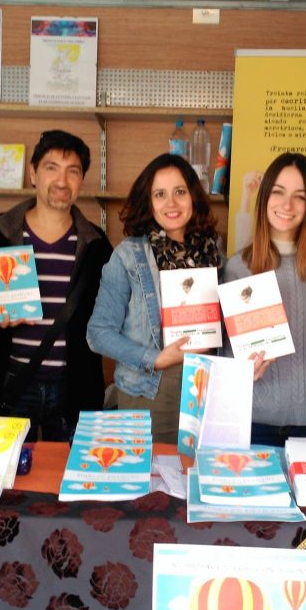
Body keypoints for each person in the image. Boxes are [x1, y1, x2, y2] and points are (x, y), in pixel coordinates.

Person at [0, 130, 111, 442]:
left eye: (73, 171)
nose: (62, 181)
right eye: (51, 168)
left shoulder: (97, 246)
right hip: (5, 384)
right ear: (33, 173)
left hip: (73, 389)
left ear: (82, 180)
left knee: (67, 471)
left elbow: (108, 317)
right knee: (3, 470)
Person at [87, 153, 223, 443]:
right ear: (148, 202)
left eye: (180, 192)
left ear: (193, 196)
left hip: (206, 389)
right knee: (154, 471)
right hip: (149, 392)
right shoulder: (128, 256)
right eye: (160, 194)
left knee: (198, 468)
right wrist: (156, 359)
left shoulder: (214, 250)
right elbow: (97, 333)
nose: (171, 203)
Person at [223, 152, 306, 446]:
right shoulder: (238, 266)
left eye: (299, 196)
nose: (287, 205)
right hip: (255, 420)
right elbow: (228, 353)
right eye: (278, 192)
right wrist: (243, 369)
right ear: (264, 196)